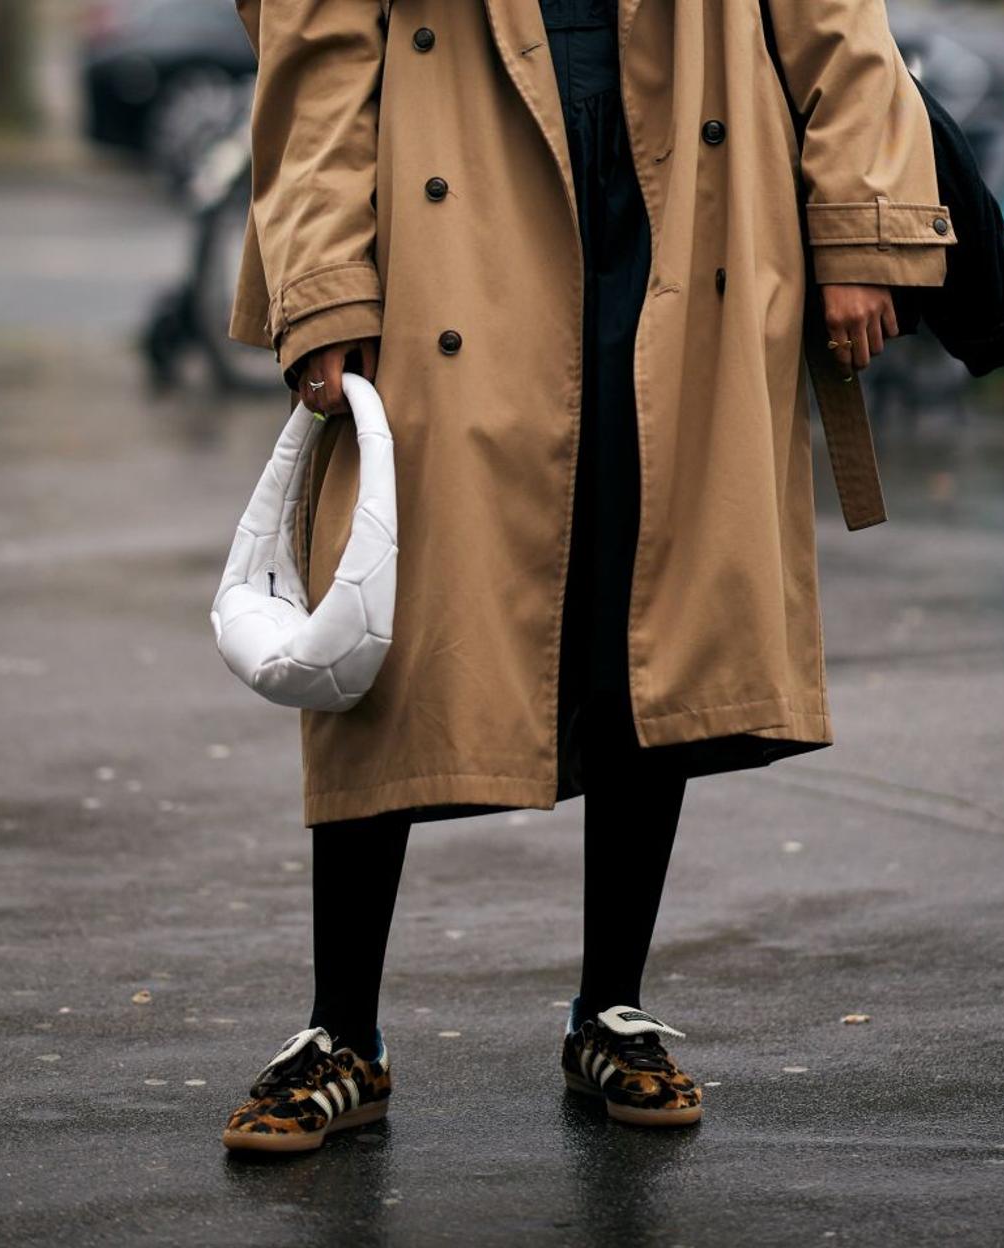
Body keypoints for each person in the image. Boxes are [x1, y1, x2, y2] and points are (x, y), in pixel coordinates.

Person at [220, 0, 953, 1150]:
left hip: (689, 209)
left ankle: (613, 1007)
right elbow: (315, 55)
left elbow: (837, 23)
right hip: (450, 218)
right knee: (387, 621)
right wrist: (322, 285)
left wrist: (864, 228)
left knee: (645, 600)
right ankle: (340, 1031)